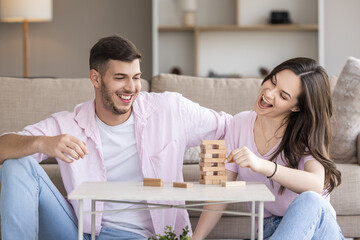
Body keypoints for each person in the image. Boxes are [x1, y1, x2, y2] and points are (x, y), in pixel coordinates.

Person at [0, 35, 231, 240]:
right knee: (17, 164)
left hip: (139, 235)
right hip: (80, 230)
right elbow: (3, 146)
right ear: (96, 78)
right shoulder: (68, 123)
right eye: (120, 77)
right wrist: (42, 143)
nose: (131, 88)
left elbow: (229, 126)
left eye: (136, 77)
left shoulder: (170, 109)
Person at [192, 57, 344, 240]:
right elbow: (221, 193)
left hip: (317, 229)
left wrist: (263, 165)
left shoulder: (306, 132)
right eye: (272, 81)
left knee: (310, 200)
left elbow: (315, 185)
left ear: (296, 107)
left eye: (283, 95)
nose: (269, 93)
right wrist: (196, 239)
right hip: (270, 230)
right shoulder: (239, 123)